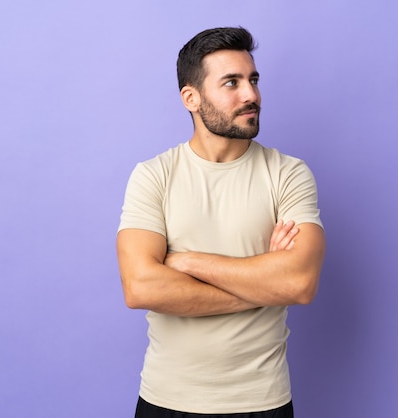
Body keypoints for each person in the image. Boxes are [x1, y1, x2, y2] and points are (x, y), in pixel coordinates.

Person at [116, 27, 325, 418]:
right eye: (232, 82)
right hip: (167, 401)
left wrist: (188, 262)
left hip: (263, 403)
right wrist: (264, 284)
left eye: (253, 80)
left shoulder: (288, 174)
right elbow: (141, 286)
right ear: (191, 98)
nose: (251, 95)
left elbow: (299, 283)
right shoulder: (154, 175)